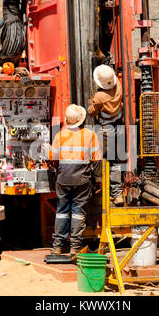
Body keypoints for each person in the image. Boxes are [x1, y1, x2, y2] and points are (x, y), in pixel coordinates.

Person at [47, 104, 102, 255]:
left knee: (62, 211)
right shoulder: (90, 135)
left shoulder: (59, 136)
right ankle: (75, 247)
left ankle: (57, 246)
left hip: (63, 179)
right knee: (78, 212)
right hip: (82, 180)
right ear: (82, 119)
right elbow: (96, 160)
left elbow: (52, 159)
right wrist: (98, 180)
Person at [87, 64, 124, 206]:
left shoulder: (99, 96)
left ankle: (104, 193)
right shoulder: (118, 87)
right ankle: (118, 194)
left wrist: (91, 104)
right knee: (115, 163)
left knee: (101, 162)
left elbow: (92, 112)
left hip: (105, 132)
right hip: (118, 129)